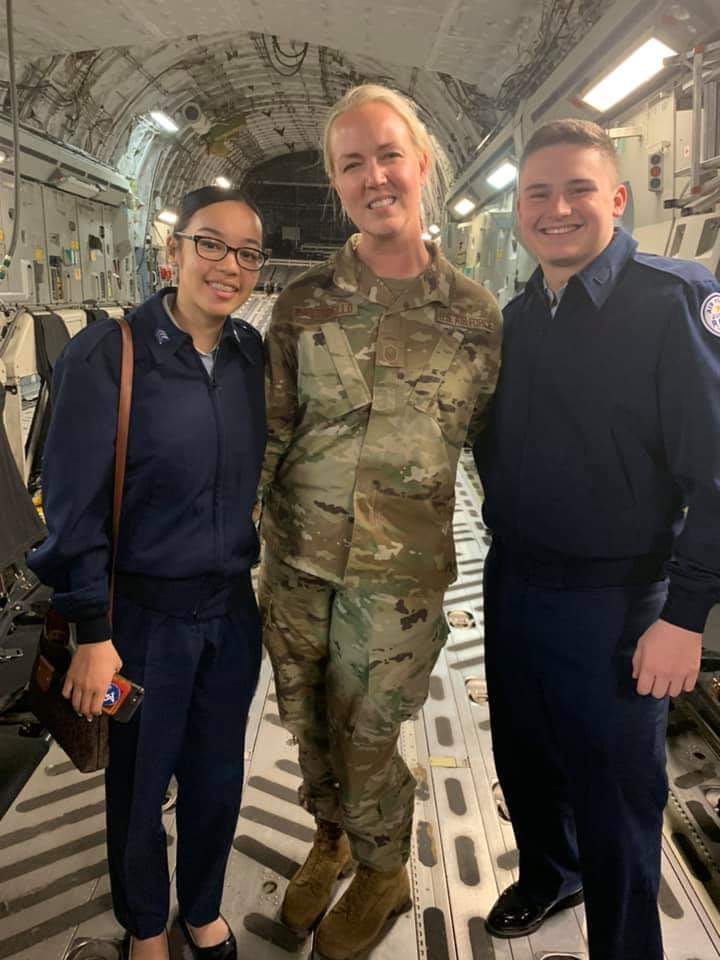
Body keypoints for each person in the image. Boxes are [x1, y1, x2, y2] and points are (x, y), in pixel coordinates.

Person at [258, 84, 502, 960]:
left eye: (388, 154)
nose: (375, 176)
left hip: (397, 585)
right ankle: (330, 841)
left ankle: (385, 868)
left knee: (369, 737)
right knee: (308, 722)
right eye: (352, 162)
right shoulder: (304, 306)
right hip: (297, 567)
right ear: (335, 182)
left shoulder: (474, 315)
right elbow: (273, 432)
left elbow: (491, 449)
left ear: (423, 164)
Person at [474, 119, 720, 959]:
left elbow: (716, 472)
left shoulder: (671, 299)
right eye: (538, 193)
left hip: (617, 598)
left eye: (579, 188)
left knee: (618, 794)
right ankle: (551, 874)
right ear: (519, 214)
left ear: (617, 198)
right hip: (513, 582)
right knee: (526, 757)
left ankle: (625, 946)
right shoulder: (513, 319)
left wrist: (685, 615)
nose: (558, 208)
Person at [27, 186, 268, 960]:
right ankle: (143, 923)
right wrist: (92, 628)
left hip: (231, 612)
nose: (227, 266)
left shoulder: (247, 356)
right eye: (210, 244)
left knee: (217, 774)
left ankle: (200, 906)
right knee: (138, 781)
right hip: (142, 619)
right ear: (173, 252)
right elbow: (71, 507)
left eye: (246, 253)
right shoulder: (109, 354)